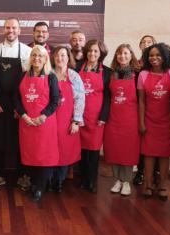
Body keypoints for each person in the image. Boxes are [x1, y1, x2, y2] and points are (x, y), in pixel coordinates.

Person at [0, 17, 32, 191]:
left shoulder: (28, 52)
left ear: (20, 31)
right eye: (8, 27)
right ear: (3, 30)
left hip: (19, 105)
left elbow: (30, 82)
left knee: (21, 141)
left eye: (14, 28)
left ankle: (23, 176)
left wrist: (20, 108)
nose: (11, 30)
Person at [15, 45, 60, 202]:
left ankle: (40, 187)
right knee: (31, 154)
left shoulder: (51, 77)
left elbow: (55, 101)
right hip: (26, 122)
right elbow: (16, 99)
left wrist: (43, 116)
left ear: (46, 59)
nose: (37, 58)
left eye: (40, 55)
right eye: (34, 55)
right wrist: (24, 115)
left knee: (43, 156)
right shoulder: (22, 76)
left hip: (44, 124)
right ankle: (34, 183)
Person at [137, 43, 170, 200]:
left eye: (158, 55)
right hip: (149, 120)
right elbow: (141, 101)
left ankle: (162, 185)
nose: (154, 58)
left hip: (167, 121)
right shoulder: (143, 75)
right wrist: (141, 122)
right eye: (151, 55)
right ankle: (147, 184)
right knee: (149, 154)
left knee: (164, 155)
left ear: (165, 57)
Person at [105, 44, 141, 196]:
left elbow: (141, 99)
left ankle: (126, 181)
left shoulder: (137, 74)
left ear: (131, 55)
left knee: (128, 150)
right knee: (115, 149)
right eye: (119, 54)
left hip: (131, 118)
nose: (122, 56)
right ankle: (117, 180)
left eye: (126, 53)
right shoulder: (111, 74)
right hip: (113, 118)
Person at [77, 39, 110, 193]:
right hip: (78, 116)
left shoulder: (107, 72)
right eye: (90, 50)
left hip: (96, 118)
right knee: (80, 150)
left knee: (94, 151)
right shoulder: (77, 67)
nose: (92, 53)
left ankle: (92, 181)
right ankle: (81, 179)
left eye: (96, 51)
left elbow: (108, 97)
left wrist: (103, 116)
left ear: (101, 53)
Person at [50, 46, 84, 192]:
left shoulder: (74, 76)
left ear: (68, 58)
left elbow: (80, 99)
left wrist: (76, 121)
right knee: (50, 148)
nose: (60, 58)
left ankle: (59, 180)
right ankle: (49, 179)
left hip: (67, 120)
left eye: (63, 55)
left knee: (65, 150)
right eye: (57, 55)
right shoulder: (48, 74)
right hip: (50, 120)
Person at [133, 34, 157, 186]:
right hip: (137, 106)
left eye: (150, 42)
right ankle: (140, 172)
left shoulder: (158, 62)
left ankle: (154, 174)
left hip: (155, 108)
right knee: (142, 142)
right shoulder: (135, 64)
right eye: (143, 42)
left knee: (155, 143)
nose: (146, 44)